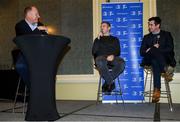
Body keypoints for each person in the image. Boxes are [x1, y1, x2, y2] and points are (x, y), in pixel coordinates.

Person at [140, 16, 176, 103]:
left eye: (151, 25)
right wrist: (152, 48)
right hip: (149, 59)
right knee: (154, 52)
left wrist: (157, 49)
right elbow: (142, 52)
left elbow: (170, 48)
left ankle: (157, 90)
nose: (149, 27)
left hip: (164, 59)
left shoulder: (167, 35)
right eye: (149, 25)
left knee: (155, 61)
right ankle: (166, 70)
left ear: (157, 25)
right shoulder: (146, 37)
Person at [15, 6, 48, 88]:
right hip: (25, 55)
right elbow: (27, 37)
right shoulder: (20, 25)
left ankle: (42, 90)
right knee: (20, 66)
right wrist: (39, 29)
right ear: (28, 14)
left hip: (39, 55)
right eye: (36, 14)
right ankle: (33, 88)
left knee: (48, 67)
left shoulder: (40, 24)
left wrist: (46, 33)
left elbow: (45, 40)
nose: (39, 16)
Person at [92, 21, 125, 93]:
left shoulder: (115, 39)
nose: (101, 28)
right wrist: (98, 39)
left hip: (113, 58)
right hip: (101, 59)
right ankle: (111, 83)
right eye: (101, 26)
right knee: (100, 60)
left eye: (103, 26)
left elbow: (118, 51)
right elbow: (94, 52)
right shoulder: (97, 39)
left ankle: (107, 83)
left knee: (121, 63)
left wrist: (113, 55)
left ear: (109, 28)